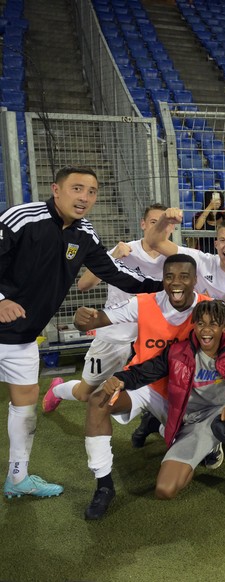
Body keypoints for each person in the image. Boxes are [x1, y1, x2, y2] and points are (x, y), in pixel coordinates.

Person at [0, 166, 163, 500]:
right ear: (56, 190)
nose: (85, 198)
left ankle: (17, 477)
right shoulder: (21, 217)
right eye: (77, 189)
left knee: (25, 407)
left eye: (92, 192)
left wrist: (168, 287)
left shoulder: (84, 233)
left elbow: (116, 273)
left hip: (22, 338)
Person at [73, 253, 225, 519]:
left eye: (184, 277)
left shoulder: (211, 309)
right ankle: (104, 486)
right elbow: (92, 321)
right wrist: (83, 317)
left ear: (195, 280)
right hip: (152, 386)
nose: (176, 283)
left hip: (196, 395)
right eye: (169, 277)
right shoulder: (144, 304)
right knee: (98, 400)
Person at [98, 300, 225, 505]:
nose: (206, 331)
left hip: (224, 413)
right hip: (191, 424)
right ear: (194, 325)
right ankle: (203, 447)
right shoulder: (177, 352)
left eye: (213, 324)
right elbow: (145, 371)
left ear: (224, 327)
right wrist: (120, 379)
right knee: (165, 489)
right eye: (201, 324)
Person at [44, 204, 168, 412]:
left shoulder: (174, 258)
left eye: (164, 224)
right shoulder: (124, 249)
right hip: (115, 335)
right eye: (154, 222)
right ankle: (57, 390)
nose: (158, 228)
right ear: (143, 224)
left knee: (159, 389)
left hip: (151, 338)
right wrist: (114, 256)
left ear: (170, 228)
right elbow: (84, 285)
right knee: (86, 393)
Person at [147, 211, 225, 309]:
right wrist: (164, 219)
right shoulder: (202, 261)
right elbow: (154, 243)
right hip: (206, 333)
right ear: (216, 244)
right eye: (223, 240)